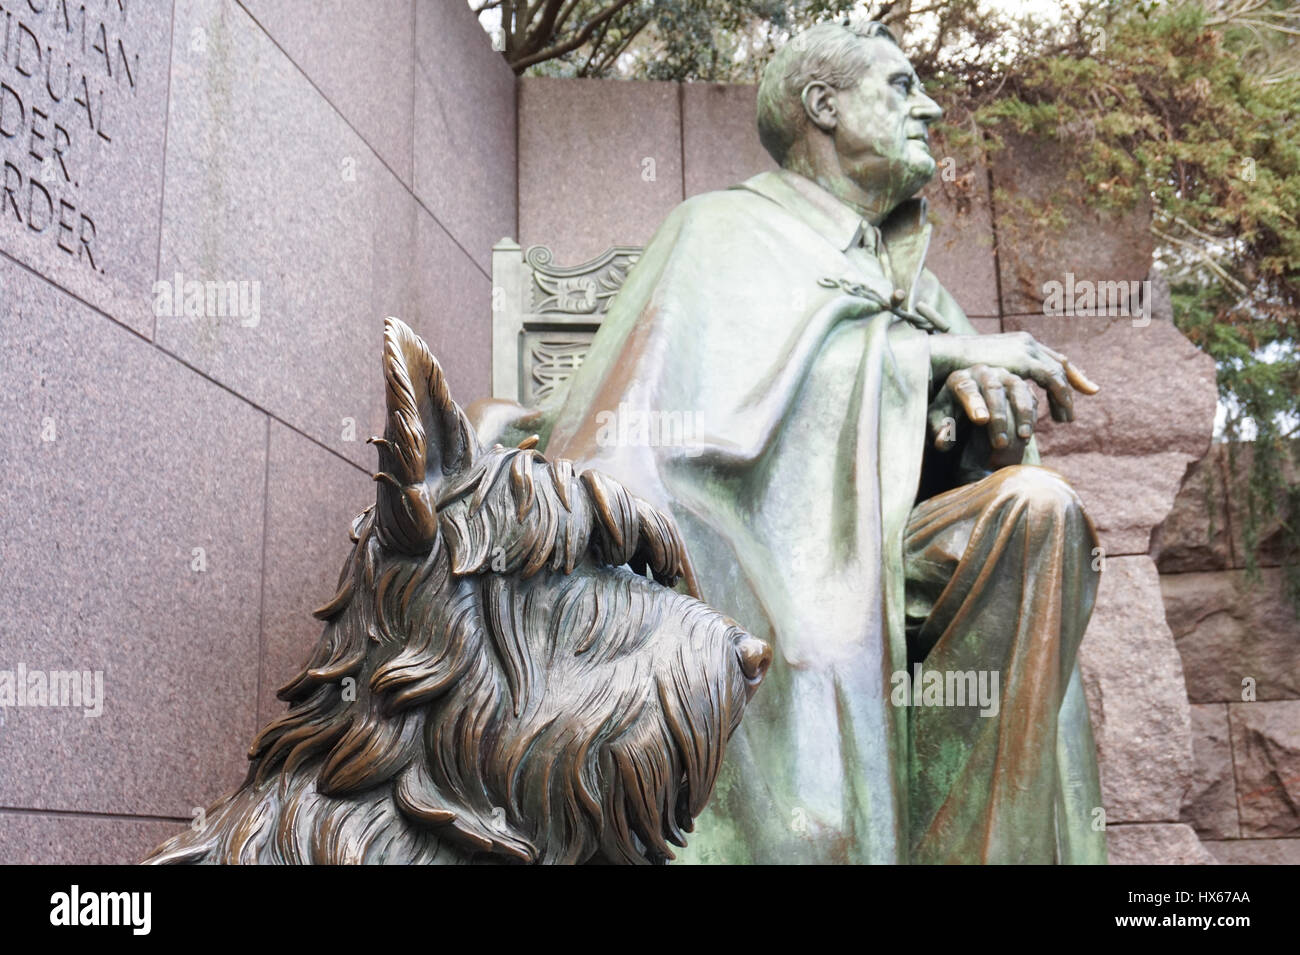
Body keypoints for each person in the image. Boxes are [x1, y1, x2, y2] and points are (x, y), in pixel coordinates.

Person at [533, 20, 1106, 864]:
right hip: (754, 556)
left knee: (1036, 509)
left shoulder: (918, 283)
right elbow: (661, 425)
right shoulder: (722, 227)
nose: (932, 108)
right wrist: (931, 360)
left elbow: (942, 453)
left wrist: (977, 430)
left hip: (887, 564)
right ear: (823, 105)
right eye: (903, 87)